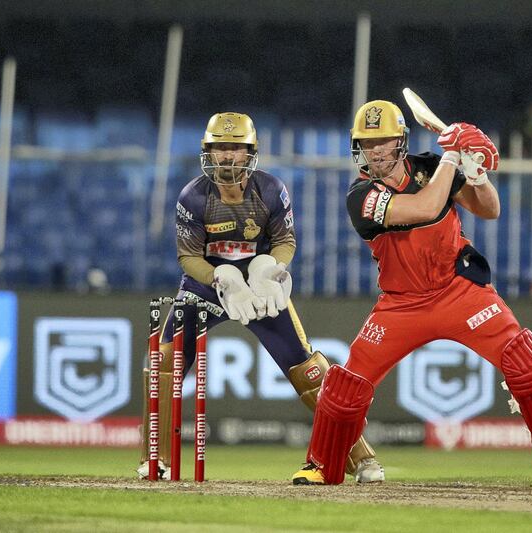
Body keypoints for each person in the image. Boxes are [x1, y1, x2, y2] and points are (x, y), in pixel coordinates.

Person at [291, 101, 532, 485]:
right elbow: (425, 207)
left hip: (459, 291)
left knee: (527, 361)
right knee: (344, 387)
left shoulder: (431, 167)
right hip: (401, 304)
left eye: (383, 142)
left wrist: (477, 173)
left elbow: (490, 209)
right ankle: (320, 466)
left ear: (400, 142)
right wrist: (453, 154)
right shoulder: (361, 196)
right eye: (368, 144)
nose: (376, 151)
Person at [137, 112, 384, 483]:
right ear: (208, 151)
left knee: (309, 371)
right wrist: (219, 275)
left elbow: (286, 241)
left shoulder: (270, 190)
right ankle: (154, 459)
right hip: (209, 285)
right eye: (220, 148)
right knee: (163, 357)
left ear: (250, 152)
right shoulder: (193, 195)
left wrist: (271, 269)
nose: (227, 157)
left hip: (258, 286)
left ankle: (361, 457)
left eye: (235, 148)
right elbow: (188, 256)